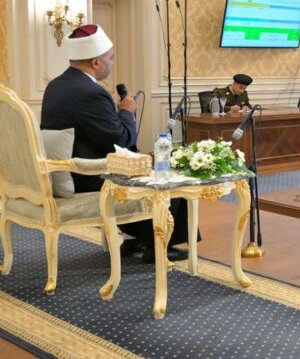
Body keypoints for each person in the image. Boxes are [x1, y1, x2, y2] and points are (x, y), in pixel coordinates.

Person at [40, 24, 191, 263]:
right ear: (96, 62)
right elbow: (120, 141)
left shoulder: (55, 85)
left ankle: (136, 240)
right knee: (168, 177)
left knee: (146, 168)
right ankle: (157, 245)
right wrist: (127, 112)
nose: (112, 63)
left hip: (60, 172)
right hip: (87, 175)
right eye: (110, 58)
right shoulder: (90, 92)